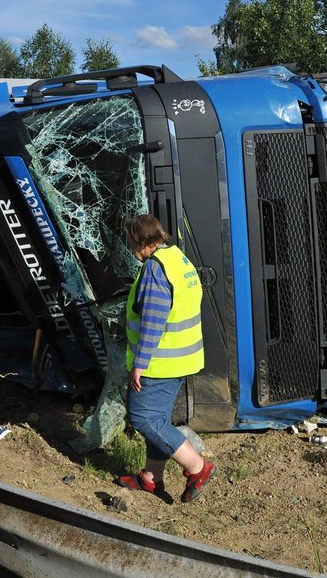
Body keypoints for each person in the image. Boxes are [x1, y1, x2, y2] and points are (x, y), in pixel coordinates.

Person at [118, 214, 215, 504]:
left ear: (140, 241)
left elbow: (153, 322)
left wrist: (140, 364)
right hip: (180, 359)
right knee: (157, 418)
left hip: (159, 362)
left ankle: (197, 467)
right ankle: (151, 478)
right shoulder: (178, 259)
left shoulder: (154, 269)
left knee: (143, 417)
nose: (129, 247)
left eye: (130, 241)